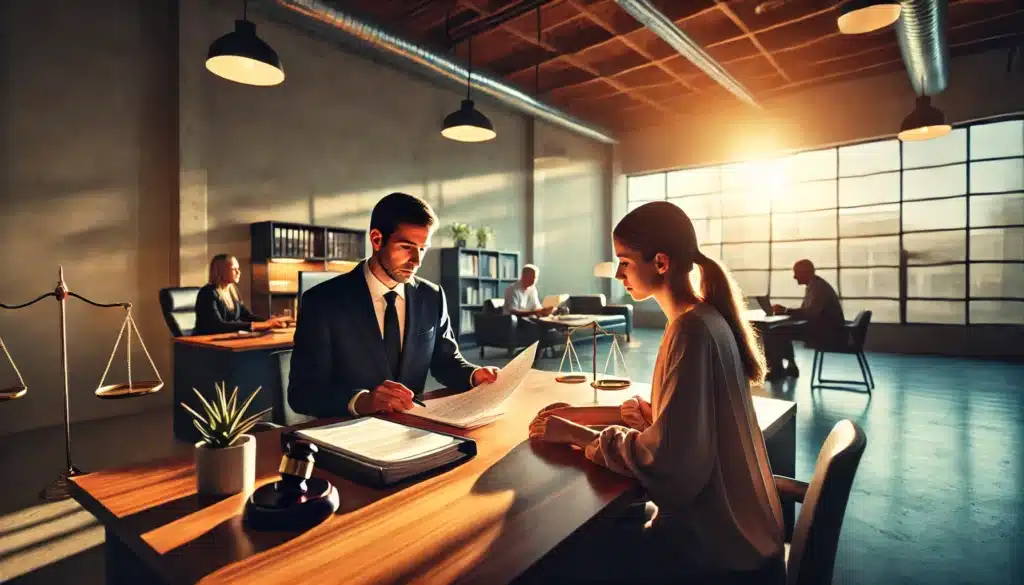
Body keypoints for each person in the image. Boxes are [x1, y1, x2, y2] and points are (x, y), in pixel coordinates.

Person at [527, 201, 785, 585]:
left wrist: (577, 435)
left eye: (625, 262)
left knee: (568, 558)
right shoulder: (704, 319)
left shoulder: (690, 331)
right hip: (745, 535)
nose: (618, 274)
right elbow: (693, 425)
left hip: (716, 551)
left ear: (661, 263)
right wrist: (639, 417)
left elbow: (671, 467)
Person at [288, 193, 500, 418]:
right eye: (407, 247)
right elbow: (303, 394)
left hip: (413, 428)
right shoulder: (322, 301)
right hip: (347, 433)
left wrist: (474, 374)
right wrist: (363, 401)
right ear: (377, 239)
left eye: (422, 249)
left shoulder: (432, 296)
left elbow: (446, 361)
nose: (417, 261)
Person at [765, 259, 845, 379]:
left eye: (796, 272)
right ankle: (788, 367)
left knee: (774, 331)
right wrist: (786, 312)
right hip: (823, 328)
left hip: (827, 333)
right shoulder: (815, 285)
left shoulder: (818, 287)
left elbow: (810, 313)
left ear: (806, 272)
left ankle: (777, 370)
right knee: (780, 330)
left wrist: (786, 311)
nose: (794, 276)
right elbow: (808, 312)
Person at [193, 254, 288, 335]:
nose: (239, 272)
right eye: (234, 269)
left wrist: (269, 322)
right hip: (205, 345)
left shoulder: (233, 290)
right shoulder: (207, 293)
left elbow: (245, 315)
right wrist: (258, 325)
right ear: (220, 271)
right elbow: (218, 325)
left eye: (238, 269)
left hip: (228, 340)